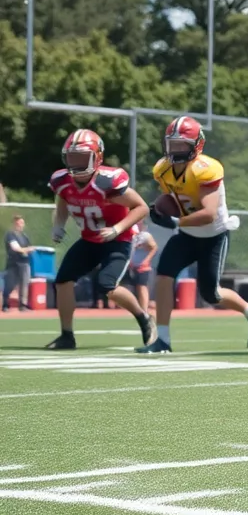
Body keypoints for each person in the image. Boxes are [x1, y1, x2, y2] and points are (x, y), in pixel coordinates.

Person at [140, 116, 248, 353]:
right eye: (172, 144)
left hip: (213, 235)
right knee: (163, 277)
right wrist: (157, 208)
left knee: (212, 293)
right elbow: (171, 198)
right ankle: (163, 340)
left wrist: (174, 221)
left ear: (196, 145)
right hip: (187, 234)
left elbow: (208, 213)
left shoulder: (206, 169)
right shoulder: (163, 169)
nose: (176, 150)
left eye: (182, 144)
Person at [46, 129, 153, 350]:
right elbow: (63, 201)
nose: (75, 164)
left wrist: (118, 228)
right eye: (72, 158)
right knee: (63, 280)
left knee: (107, 285)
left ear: (98, 157)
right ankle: (67, 335)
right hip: (89, 239)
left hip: (118, 239)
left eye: (82, 158)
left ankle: (143, 318)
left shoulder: (107, 182)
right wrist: (59, 224)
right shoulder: (62, 181)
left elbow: (141, 206)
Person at [3, 214, 33, 312]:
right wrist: (25, 249)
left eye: (22, 223)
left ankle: (22, 305)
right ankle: (5, 304)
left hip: (25, 263)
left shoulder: (24, 236)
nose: (21, 225)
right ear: (15, 223)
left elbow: (29, 248)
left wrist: (29, 250)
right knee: (10, 284)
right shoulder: (10, 234)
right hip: (13, 263)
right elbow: (15, 248)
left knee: (24, 284)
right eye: (19, 223)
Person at [127, 223, 157, 315]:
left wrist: (146, 260)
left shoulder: (145, 236)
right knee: (131, 288)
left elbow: (154, 247)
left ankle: (144, 310)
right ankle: (137, 309)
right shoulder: (132, 236)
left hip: (142, 266)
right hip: (131, 265)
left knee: (142, 287)